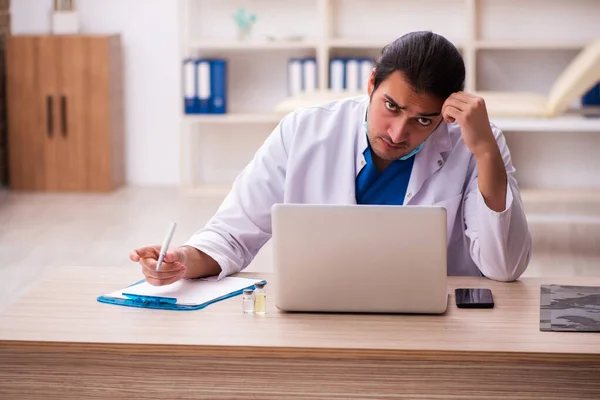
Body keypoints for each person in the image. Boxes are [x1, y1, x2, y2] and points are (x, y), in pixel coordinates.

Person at [130, 31, 532, 286]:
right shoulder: (304, 131)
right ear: (371, 82)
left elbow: (505, 267)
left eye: (422, 120)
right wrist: (180, 259)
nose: (397, 134)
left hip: (440, 329)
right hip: (321, 319)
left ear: (445, 114)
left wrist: (484, 153)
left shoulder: (476, 145)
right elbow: (232, 234)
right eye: (390, 107)